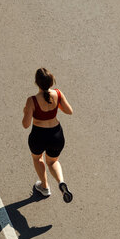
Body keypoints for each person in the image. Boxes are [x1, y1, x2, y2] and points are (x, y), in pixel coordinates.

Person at [22, 68, 74, 203]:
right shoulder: (58, 94)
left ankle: (44, 187)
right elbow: (69, 111)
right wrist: (55, 107)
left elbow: (26, 124)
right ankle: (61, 182)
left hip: (38, 136)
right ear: (52, 82)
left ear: (36, 83)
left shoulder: (32, 100)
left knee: (38, 159)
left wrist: (26, 111)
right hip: (56, 135)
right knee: (52, 161)